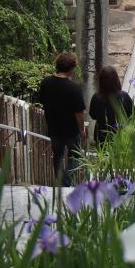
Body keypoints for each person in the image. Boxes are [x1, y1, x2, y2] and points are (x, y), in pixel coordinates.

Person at [36, 51, 85, 183]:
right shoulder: (74, 88)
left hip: (54, 129)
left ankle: (59, 182)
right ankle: (66, 181)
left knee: (57, 157)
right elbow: (79, 113)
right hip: (71, 131)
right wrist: (82, 129)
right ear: (72, 68)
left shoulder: (46, 83)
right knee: (75, 157)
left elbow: (42, 101)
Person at [89, 65, 135, 143]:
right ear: (116, 80)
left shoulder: (96, 97)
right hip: (120, 134)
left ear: (101, 81)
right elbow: (132, 115)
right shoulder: (124, 96)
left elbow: (93, 115)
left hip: (101, 135)